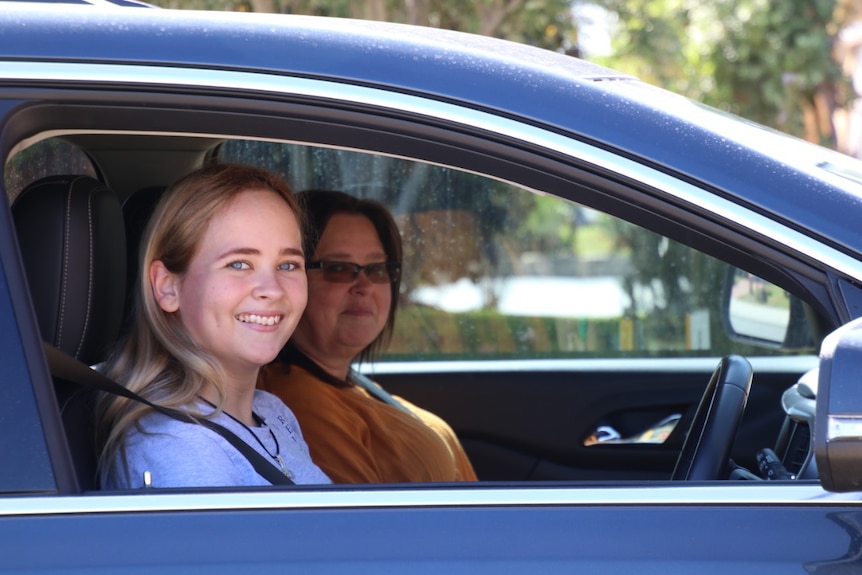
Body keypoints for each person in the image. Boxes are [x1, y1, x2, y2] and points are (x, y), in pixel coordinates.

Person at [96, 164, 330, 489]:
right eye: (239, 264)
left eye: (288, 264)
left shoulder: (272, 413)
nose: (273, 289)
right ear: (168, 287)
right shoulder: (178, 448)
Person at [258, 190, 477, 484]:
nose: (364, 285)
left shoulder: (347, 383)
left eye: (376, 269)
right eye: (337, 268)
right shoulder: (302, 405)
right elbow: (362, 524)